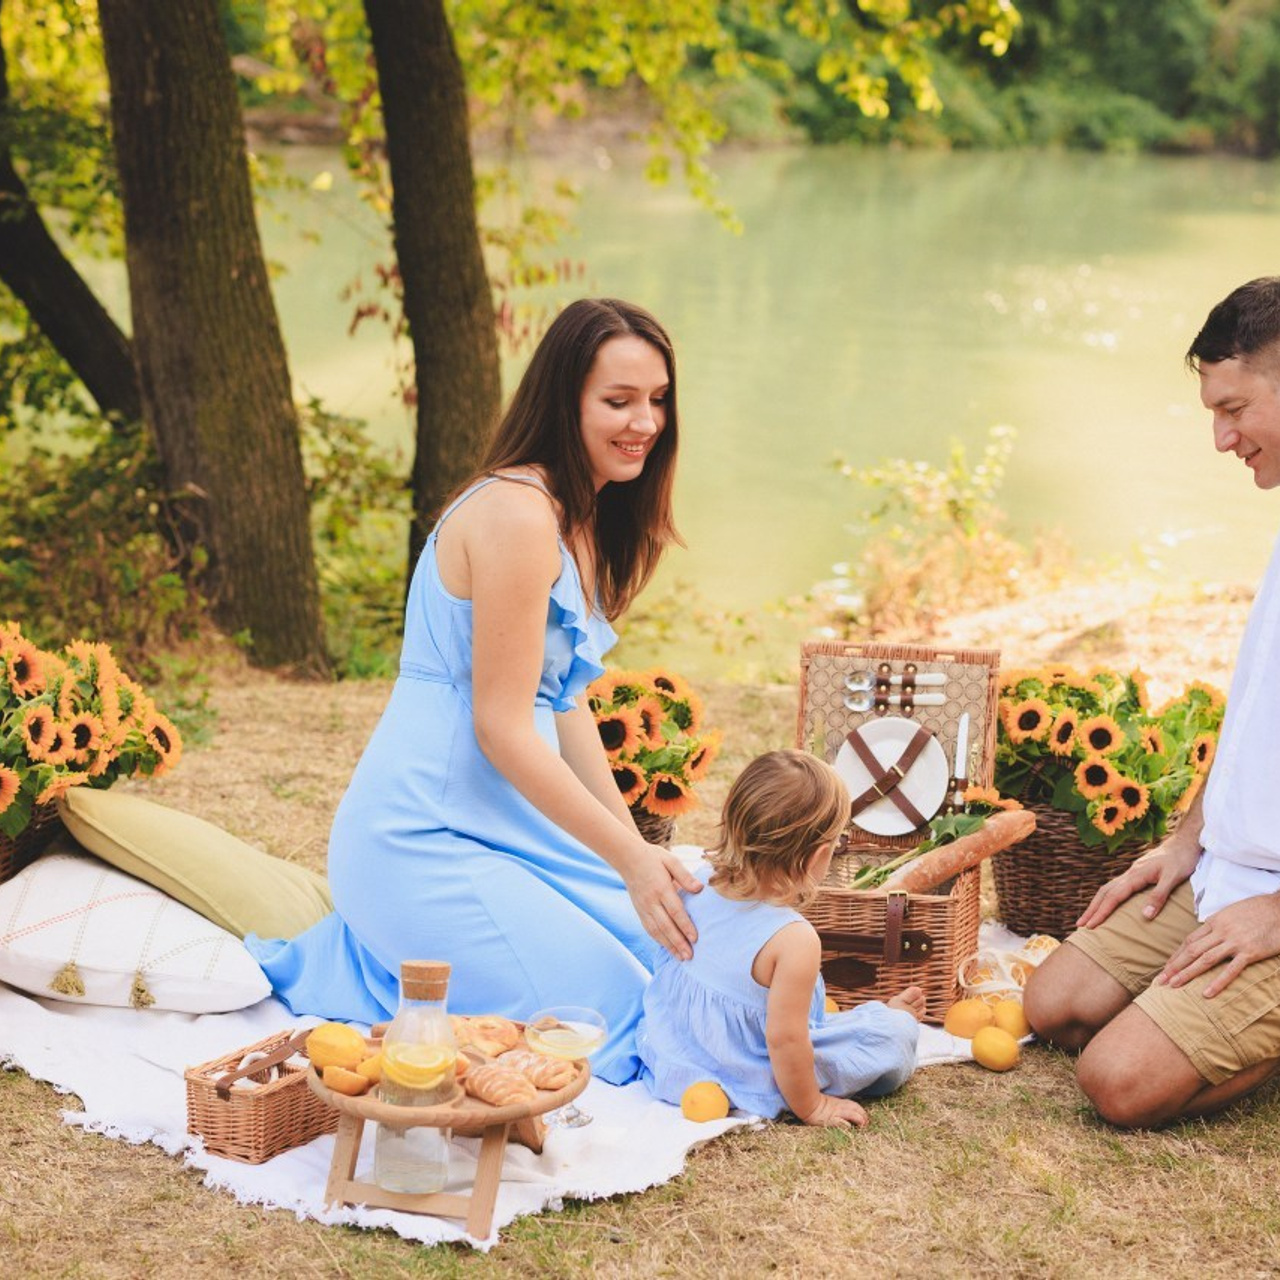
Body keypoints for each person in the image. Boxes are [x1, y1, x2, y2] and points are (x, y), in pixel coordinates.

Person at [247, 298, 703, 1084]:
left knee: (685, 961)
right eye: (618, 401)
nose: (644, 422)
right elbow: (501, 727)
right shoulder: (518, 516)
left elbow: (562, 705)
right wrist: (628, 858)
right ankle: (392, 945)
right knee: (614, 1017)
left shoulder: (581, 518)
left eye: (657, 399)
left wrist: (629, 851)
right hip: (422, 836)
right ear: (566, 399)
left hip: (506, 826)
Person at [1024, 276, 1280, 1127]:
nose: (1220, 437)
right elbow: (1253, 718)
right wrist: (1189, 838)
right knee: (1052, 1005)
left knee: (1116, 1081)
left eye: (1234, 408)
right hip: (1227, 875)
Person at [635, 750, 925, 1125]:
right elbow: (786, 1041)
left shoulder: (698, 879)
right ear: (819, 855)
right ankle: (885, 1017)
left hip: (676, 1050)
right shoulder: (792, 940)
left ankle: (875, 1015)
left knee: (802, 1022)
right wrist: (813, 1106)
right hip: (747, 1065)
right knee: (892, 1035)